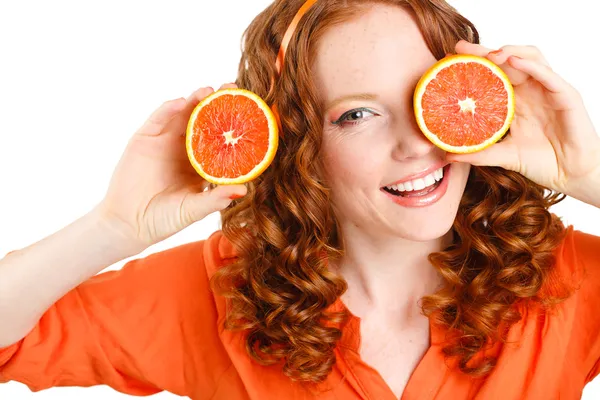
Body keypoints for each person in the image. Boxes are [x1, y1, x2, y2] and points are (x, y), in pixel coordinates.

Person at [1, 0, 599, 399]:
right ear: (294, 143)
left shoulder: (566, 279)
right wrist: (113, 227)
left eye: (431, 95)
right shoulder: (219, 294)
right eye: (357, 114)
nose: (418, 145)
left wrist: (589, 173)